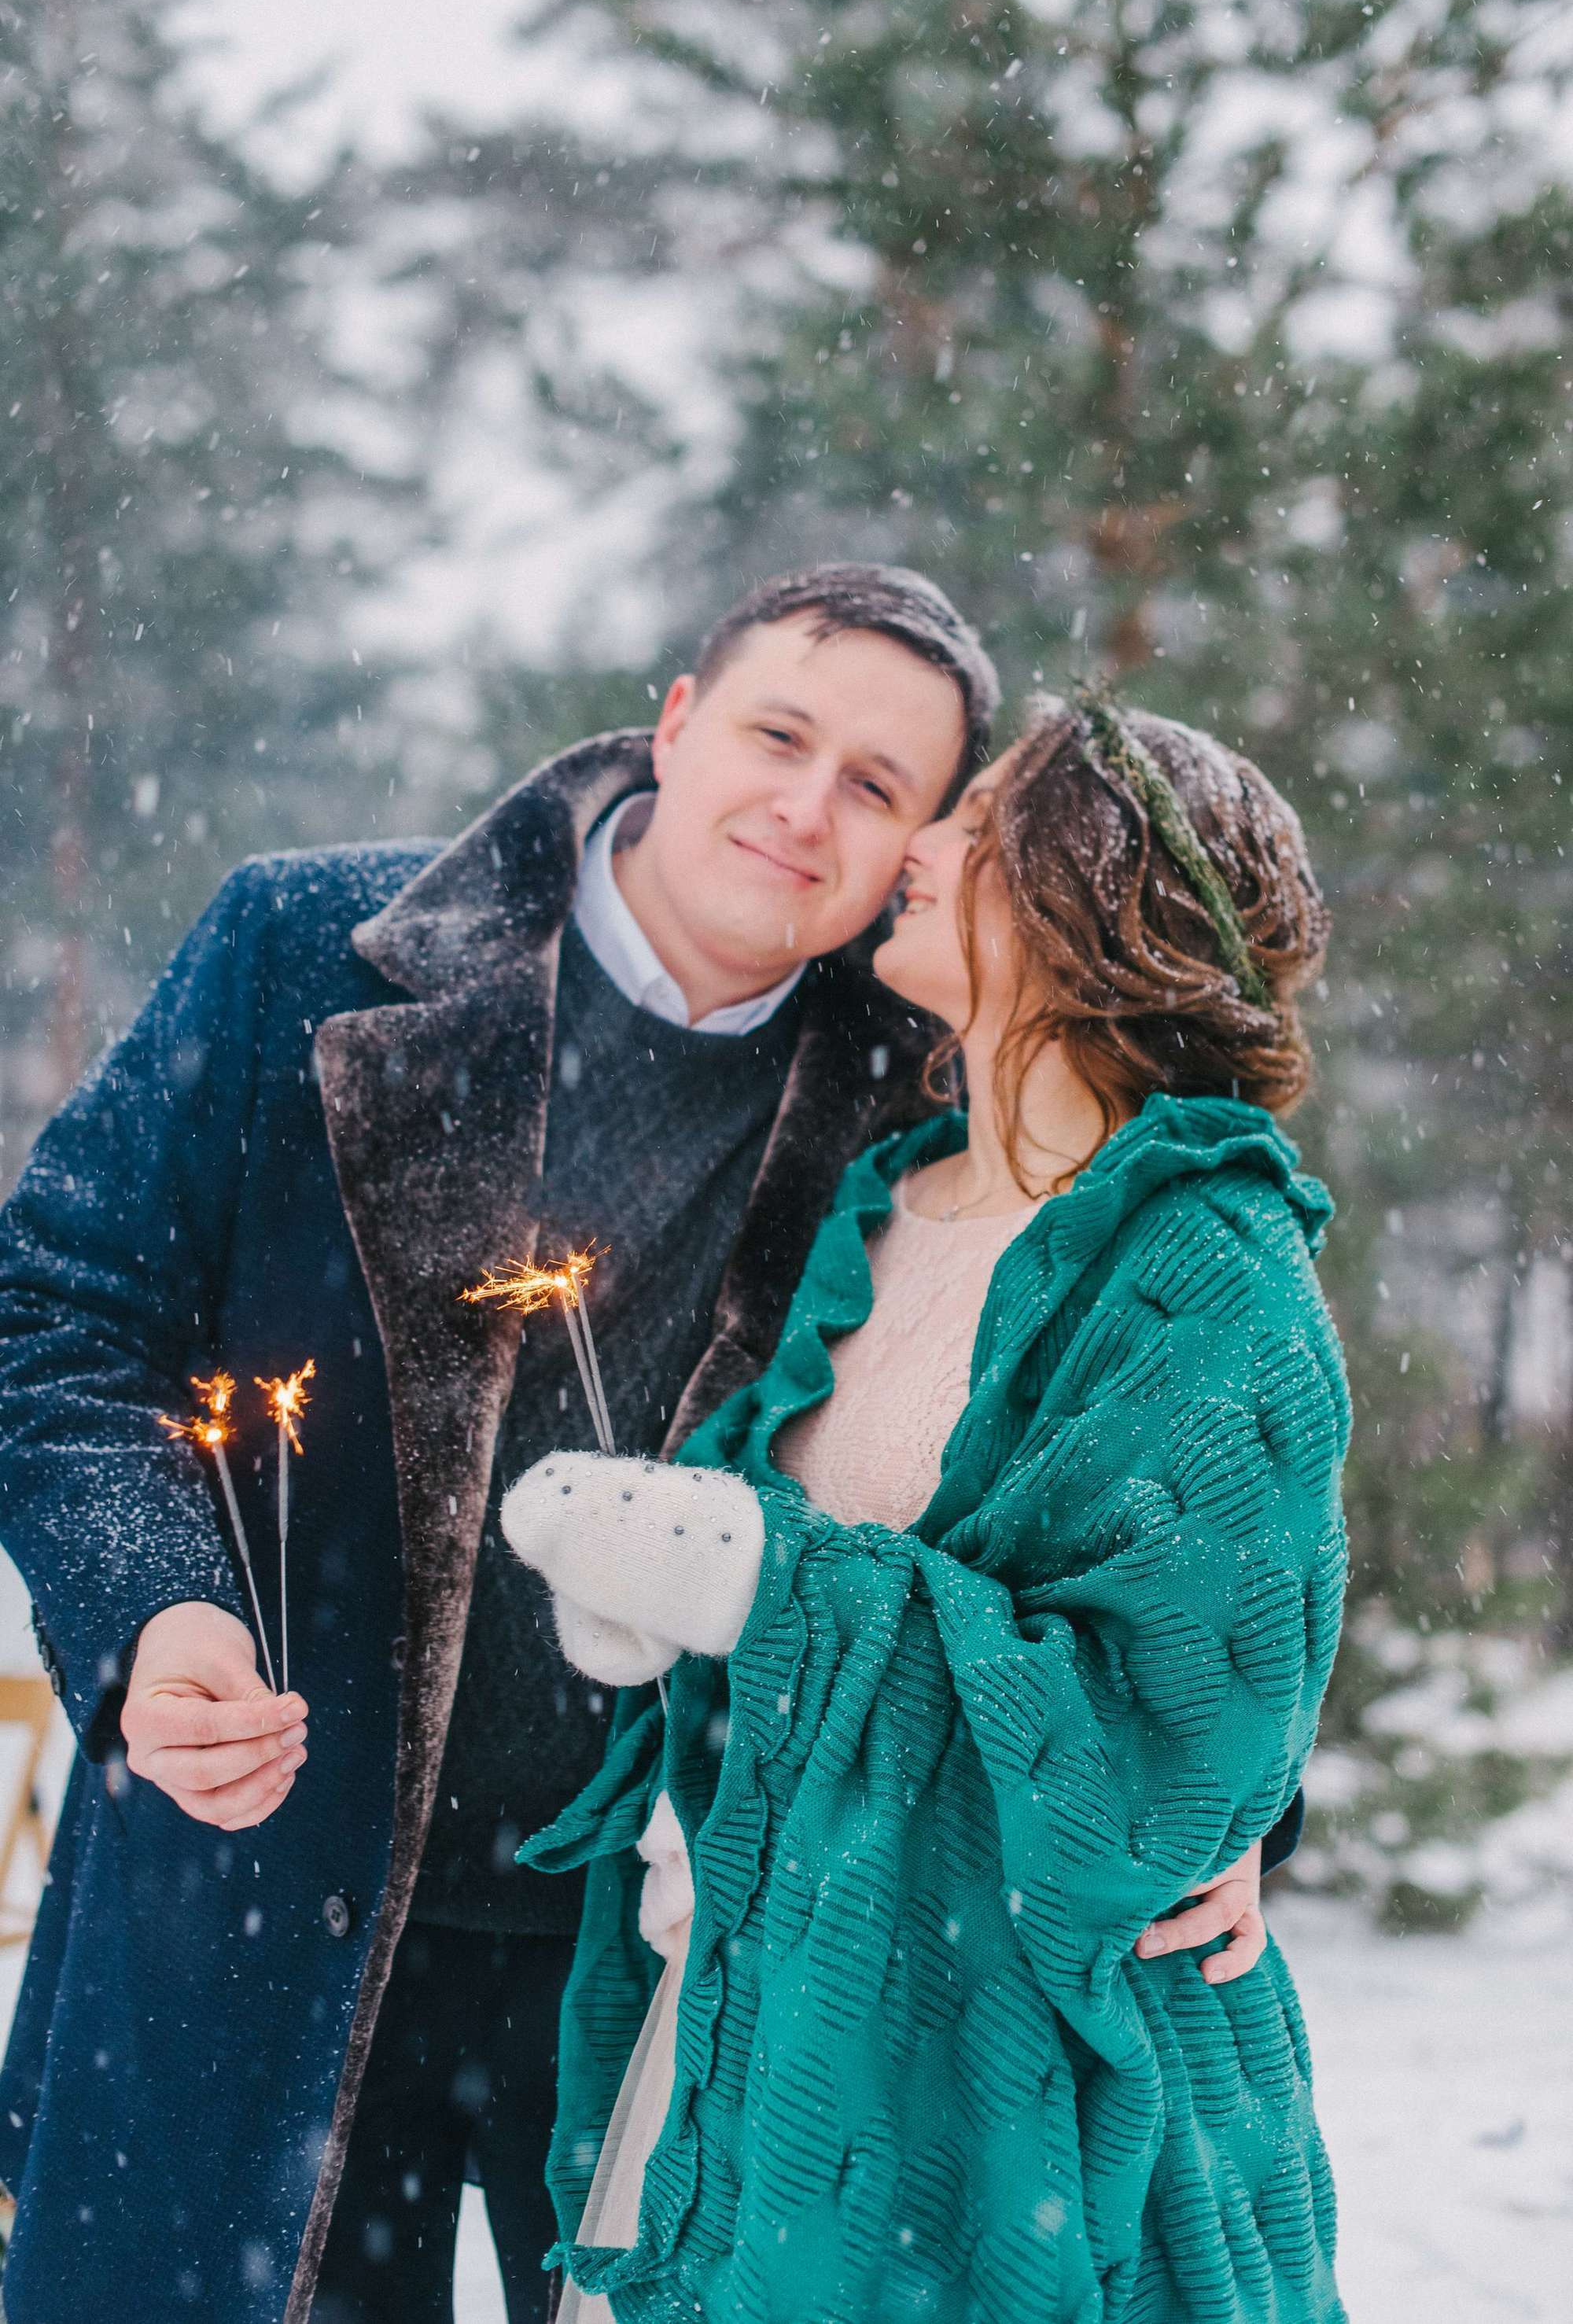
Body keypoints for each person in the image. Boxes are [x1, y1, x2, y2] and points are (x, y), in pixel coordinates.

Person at [0, 570, 1288, 2324]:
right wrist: (154, 1614)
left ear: (919, 847)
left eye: (877, 786)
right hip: (261, 1910)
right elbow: (58, 1317)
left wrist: (1218, 1797)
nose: (803, 805)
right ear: (676, 721)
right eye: (778, 734)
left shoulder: (936, 1081)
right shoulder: (302, 950)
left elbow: (1146, 1441)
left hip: (668, 1957)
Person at [504, 688, 1350, 2322]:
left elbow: (1163, 1747)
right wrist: (680, 1620)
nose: (926, 839)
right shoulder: (885, 1198)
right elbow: (823, 1613)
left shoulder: (1209, 1273)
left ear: (1078, 903)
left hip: (1027, 2099)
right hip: (775, 2033)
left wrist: (758, 1577)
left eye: (978, 821)